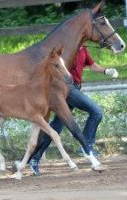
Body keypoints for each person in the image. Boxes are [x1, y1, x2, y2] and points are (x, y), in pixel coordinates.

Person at [29, 45, 118, 176]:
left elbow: (92, 65)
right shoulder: (68, 49)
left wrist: (106, 71)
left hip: (74, 88)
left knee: (56, 127)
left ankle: (34, 159)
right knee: (96, 111)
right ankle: (86, 145)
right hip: (69, 89)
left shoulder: (83, 49)